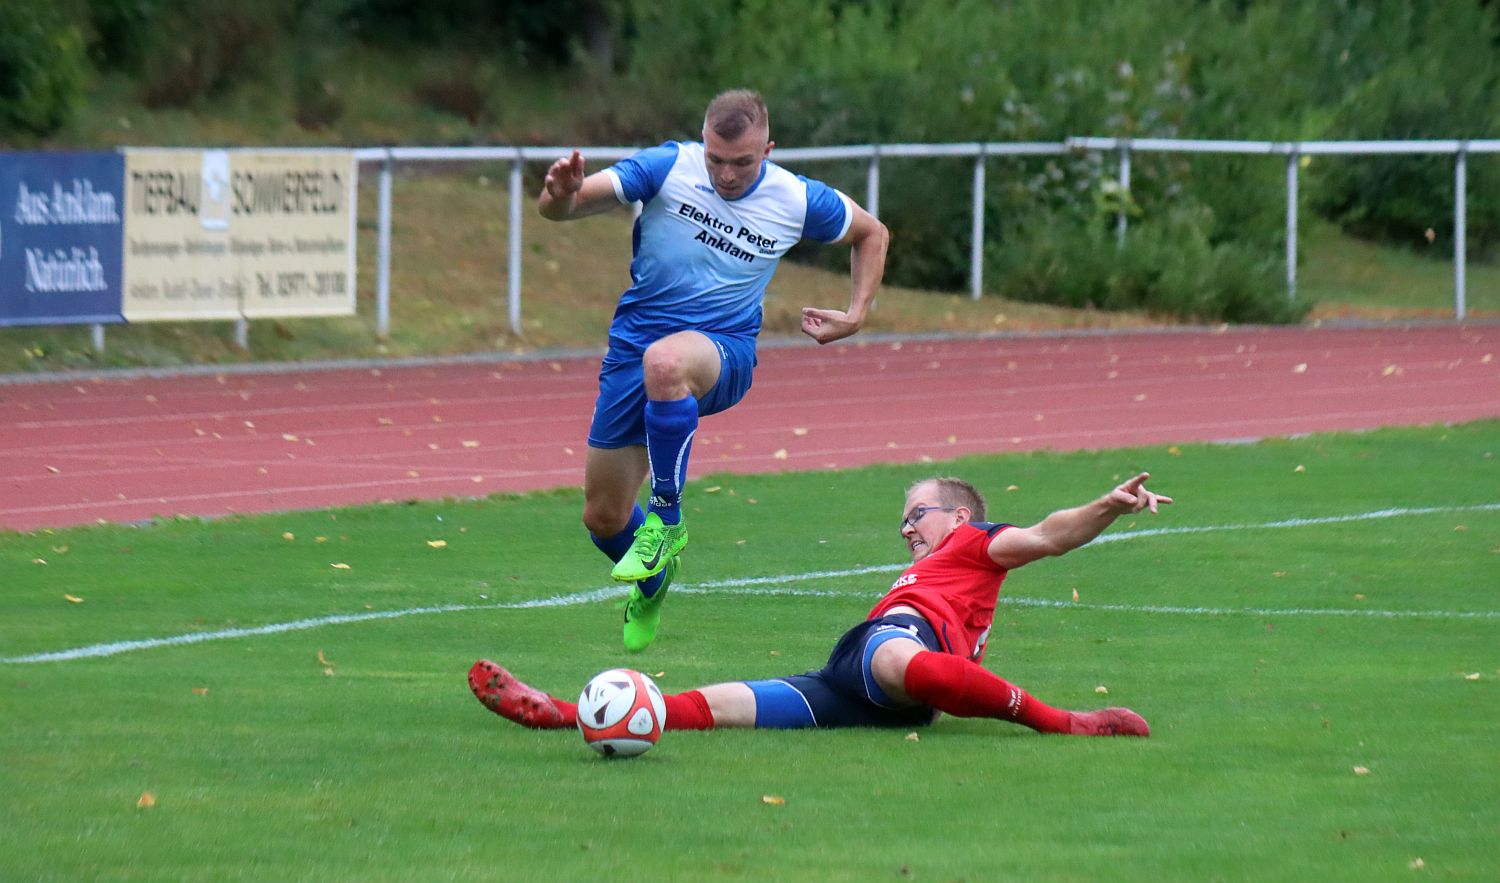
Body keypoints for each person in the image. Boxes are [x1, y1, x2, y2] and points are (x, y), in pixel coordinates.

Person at [536, 89, 889, 653]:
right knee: (603, 517)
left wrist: (856, 314)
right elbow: (570, 205)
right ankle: (653, 579)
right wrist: (560, 193)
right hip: (635, 349)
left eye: (742, 162)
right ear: (702, 143)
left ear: (768, 150)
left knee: (668, 362)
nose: (726, 175)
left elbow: (872, 234)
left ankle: (667, 519)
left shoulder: (796, 199)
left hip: (722, 352)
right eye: (715, 159)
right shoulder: (668, 167)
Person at [469, 472, 1172, 738]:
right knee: (716, 706)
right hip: (858, 670)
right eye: (903, 517)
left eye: (918, 513)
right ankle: (562, 712)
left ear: (960, 518)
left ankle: (1064, 722)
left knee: (907, 662)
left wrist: (1107, 506)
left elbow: (1049, 534)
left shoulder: (974, 545)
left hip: (889, 662)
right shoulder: (927, 567)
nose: (907, 526)